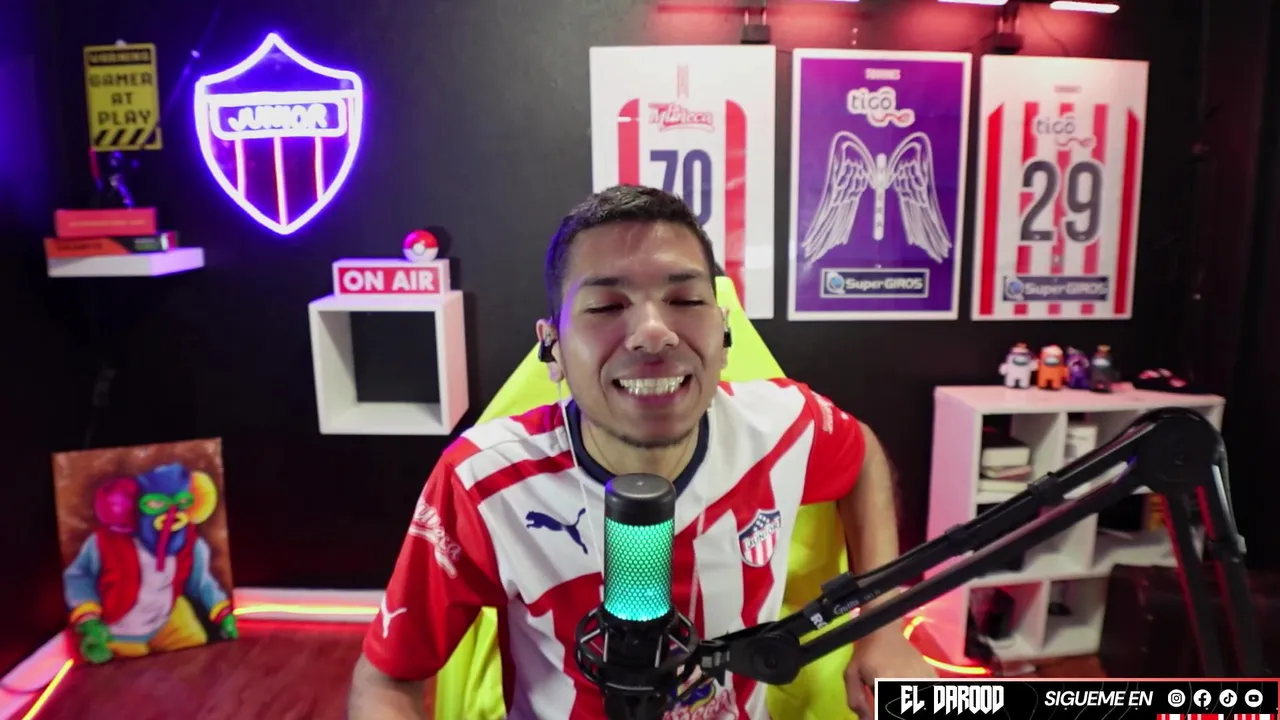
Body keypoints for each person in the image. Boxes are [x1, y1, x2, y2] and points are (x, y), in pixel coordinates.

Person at [347, 185, 934, 719]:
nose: (654, 332)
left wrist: (882, 626)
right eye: (606, 307)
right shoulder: (482, 481)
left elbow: (862, 456)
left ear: (724, 332)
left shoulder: (783, 426)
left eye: (686, 300)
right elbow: (388, 678)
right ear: (552, 348)